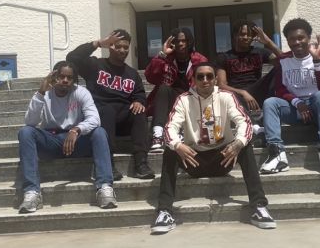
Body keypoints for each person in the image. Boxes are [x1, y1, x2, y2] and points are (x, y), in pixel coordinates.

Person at [150, 62, 276, 234]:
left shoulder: (227, 97)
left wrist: (238, 143)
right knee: (171, 149)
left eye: (209, 76)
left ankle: (259, 207)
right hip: (193, 160)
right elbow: (169, 128)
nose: (205, 80)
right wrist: (178, 145)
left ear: (216, 79)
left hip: (223, 158)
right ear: (193, 80)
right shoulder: (183, 100)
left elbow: (244, 121)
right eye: (200, 77)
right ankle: (164, 211)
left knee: (244, 146)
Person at [17, 61, 117, 213]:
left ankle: (104, 187)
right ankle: (32, 192)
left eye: (69, 78)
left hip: (76, 142)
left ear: (74, 80)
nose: (65, 80)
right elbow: (30, 122)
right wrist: (40, 93)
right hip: (51, 141)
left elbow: (95, 119)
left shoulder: (81, 92)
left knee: (99, 132)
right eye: (61, 76)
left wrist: (76, 129)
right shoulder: (45, 94)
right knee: (25, 132)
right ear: (54, 76)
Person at [66, 29, 154, 181]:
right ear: (110, 46)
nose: (122, 50)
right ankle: (107, 163)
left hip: (123, 120)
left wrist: (139, 101)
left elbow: (139, 93)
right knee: (108, 110)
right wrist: (99, 43)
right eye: (117, 46)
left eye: (125, 47)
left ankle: (141, 163)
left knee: (139, 112)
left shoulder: (132, 74)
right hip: (102, 117)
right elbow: (72, 57)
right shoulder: (95, 65)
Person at [260, 18, 320, 174]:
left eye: (301, 38)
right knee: (270, 103)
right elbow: (281, 90)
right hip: (295, 108)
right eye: (292, 39)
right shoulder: (283, 60)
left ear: (308, 38)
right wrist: (298, 103)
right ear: (287, 41)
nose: (297, 42)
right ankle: (277, 154)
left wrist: (317, 61)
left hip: (318, 108)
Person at [145, 27, 207, 153]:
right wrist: (162, 55)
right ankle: (157, 135)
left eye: (184, 41)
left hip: (191, 99)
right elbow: (150, 77)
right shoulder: (166, 59)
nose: (180, 44)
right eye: (177, 41)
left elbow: (205, 83)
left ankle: (182, 133)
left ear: (189, 42)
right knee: (163, 89)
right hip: (170, 99)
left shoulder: (199, 60)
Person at [216, 19, 282, 135]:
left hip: (257, 90)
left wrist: (268, 42)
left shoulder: (260, 52)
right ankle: (254, 123)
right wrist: (243, 92)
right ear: (235, 36)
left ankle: (268, 111)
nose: (246, 37)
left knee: (279, 69)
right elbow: (221, 85)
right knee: (225, 94)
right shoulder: (224, 57)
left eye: (249, 35)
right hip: (236, 94)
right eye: (242, 34)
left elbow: (285, 61)